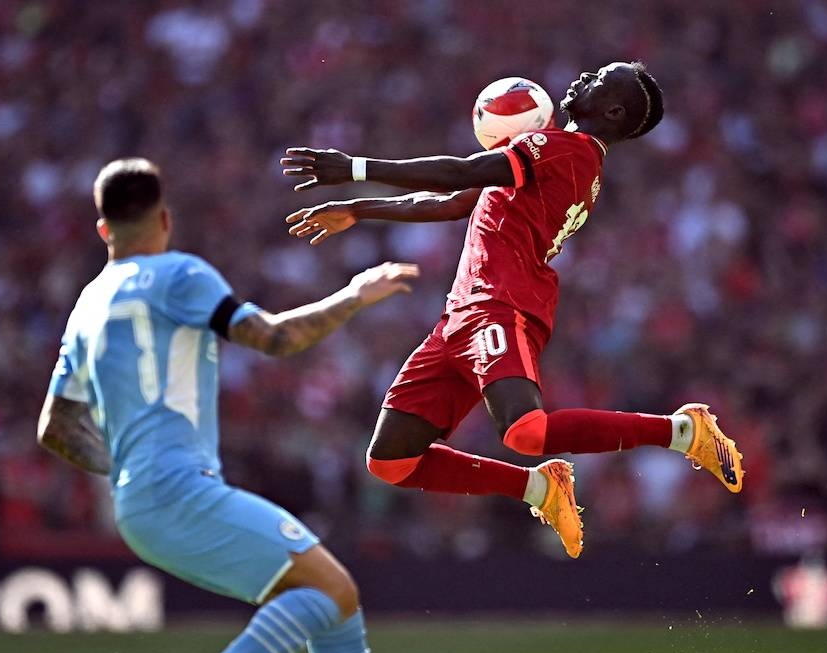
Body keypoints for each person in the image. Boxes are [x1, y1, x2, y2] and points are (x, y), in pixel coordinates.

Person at [280, 61, 744, 559]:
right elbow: (451, 201)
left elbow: (461, 171)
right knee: (392, 461)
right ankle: (538, 489)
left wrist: (351, 169)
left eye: (597, 80)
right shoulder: (556, 160)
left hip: (502, 304)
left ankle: (682, 431)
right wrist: (360, 209)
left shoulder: (567, 149)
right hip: (459, 318)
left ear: (610, 110)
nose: (581, 78)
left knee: (526, 430)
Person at [38, 158, 418, 653]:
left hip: (137, 505)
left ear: (103, 229)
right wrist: (352, 296)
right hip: (178, 490)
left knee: (334, 603)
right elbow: (275, 337)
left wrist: (127, 469)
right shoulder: (182, 273)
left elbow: (55, 426)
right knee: (330, 591)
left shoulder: (87, 303)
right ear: (166, 219)